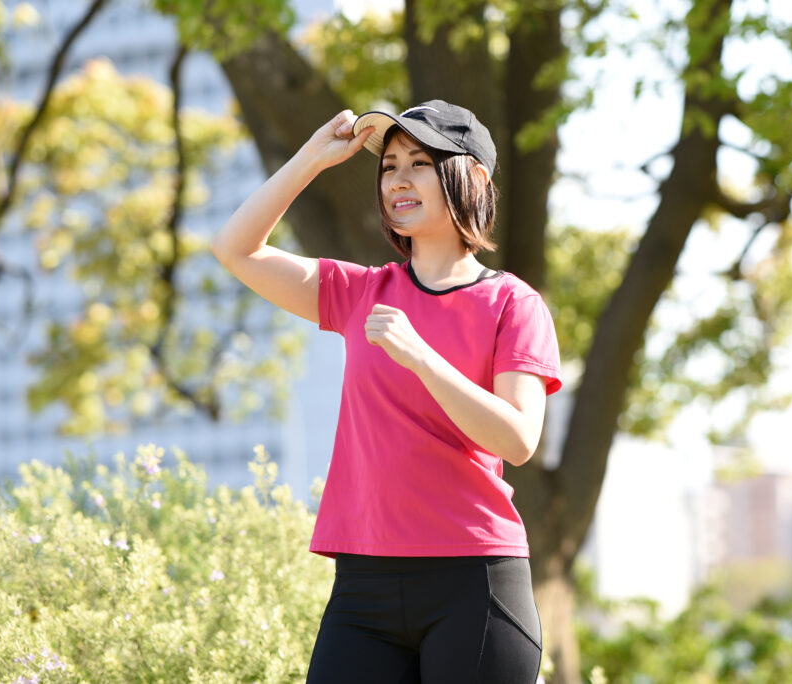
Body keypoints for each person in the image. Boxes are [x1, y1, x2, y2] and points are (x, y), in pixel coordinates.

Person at [210, 100, 562, 684]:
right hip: (364, 586)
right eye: (389, 166)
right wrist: (312, 159)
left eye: (419, 163)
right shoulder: (358, 293)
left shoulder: (512, 303)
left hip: (474, 581)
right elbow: (234, 248)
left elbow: (519, 438)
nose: (397, 179)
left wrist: (422, 358)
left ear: (473, 177)